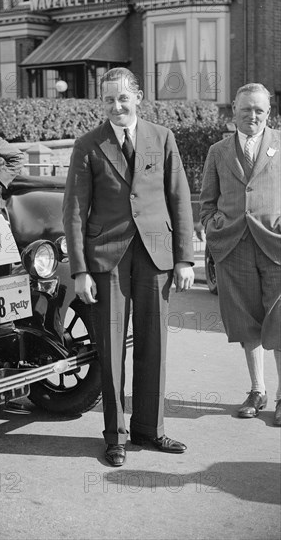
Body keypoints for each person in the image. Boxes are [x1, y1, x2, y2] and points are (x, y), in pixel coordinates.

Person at [63, 67, 195, 467]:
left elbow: (180, 198)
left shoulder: (162, 137)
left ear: (138, 96)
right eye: (108, 100)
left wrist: (185, 258)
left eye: (123, 98)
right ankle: (115, 436)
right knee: (112, 349)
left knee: (154, 344)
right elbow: (73, 211)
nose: (116, 106)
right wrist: (81, 270)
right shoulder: (88, 145)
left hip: (156, 255)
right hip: (108, 258)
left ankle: (149, 430)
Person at [200, 83, 281, 426]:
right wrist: (214, 226)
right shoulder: (218, 151)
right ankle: (257, 389)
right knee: (247, 323)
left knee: (279, 323)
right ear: (233, 110)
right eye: (246, 109)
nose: (253, 116)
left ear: (269, 113)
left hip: (276, 247)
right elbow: (206, 201)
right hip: (234, 246)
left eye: (259, 110)